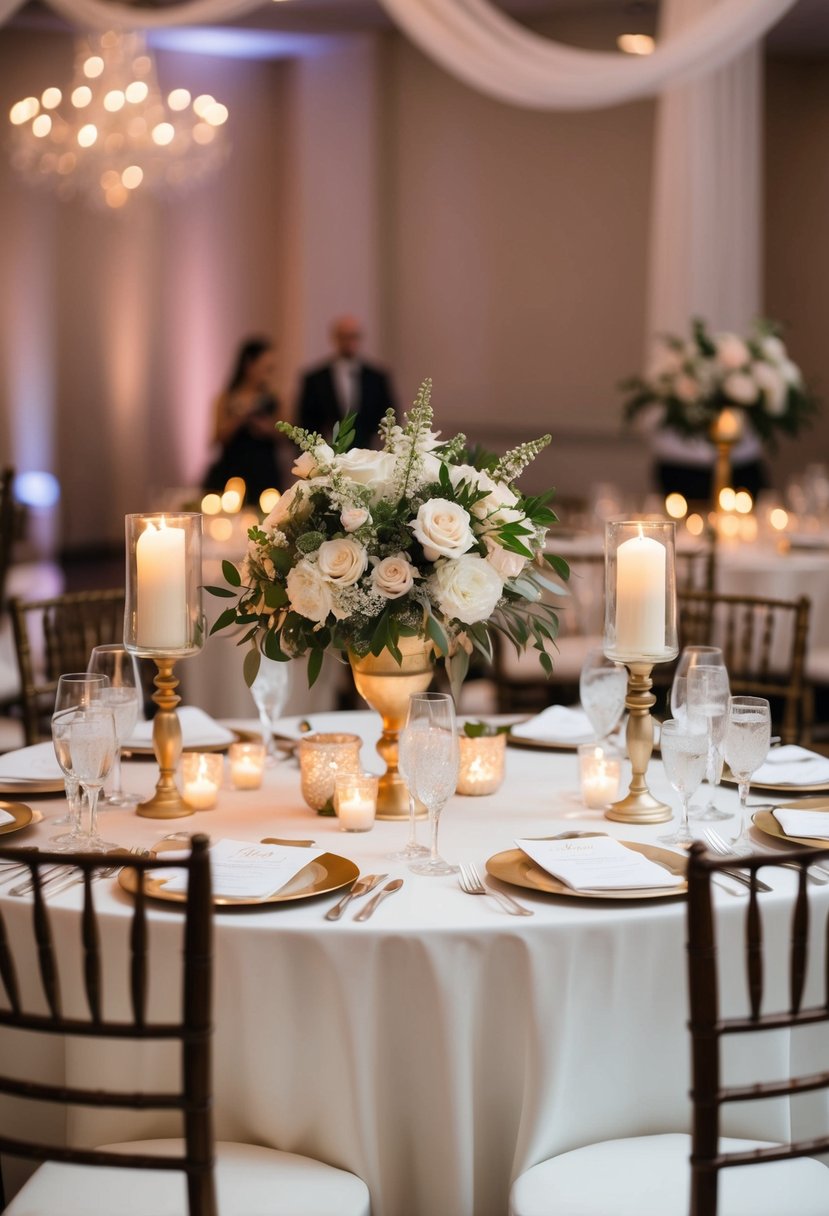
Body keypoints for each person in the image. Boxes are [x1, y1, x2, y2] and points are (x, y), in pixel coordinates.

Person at [204, 337, 286, 503]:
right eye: (266, 368)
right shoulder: (226, 398)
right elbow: (216, 439)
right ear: (249, 365)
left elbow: (287, 435)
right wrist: (240, 417)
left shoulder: (274, 399)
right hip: (232, 469)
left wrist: (267, 428)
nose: (268, 375)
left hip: (265, 471)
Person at [297, 316, 396, 448]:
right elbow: (306, 417)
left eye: (353, 336)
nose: (349, 342)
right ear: (335, 338)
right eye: (344, 337)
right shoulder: (315, 378)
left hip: (367, 449)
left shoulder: (376, 377)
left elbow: (388, 413)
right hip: (327, 449)